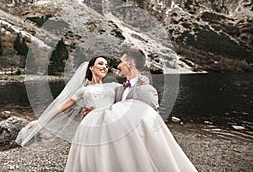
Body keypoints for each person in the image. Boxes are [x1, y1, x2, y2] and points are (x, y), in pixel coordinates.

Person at [16, 53, 197, 172]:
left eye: (107, 64)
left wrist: (141, 78)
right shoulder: (82, 91)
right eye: (100, 63)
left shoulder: (114, 86)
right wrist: (40, 122)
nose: (105, 66)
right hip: (91, 127)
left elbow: (131, 92)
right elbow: (60, 107)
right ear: (91, 68)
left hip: (111, 126)